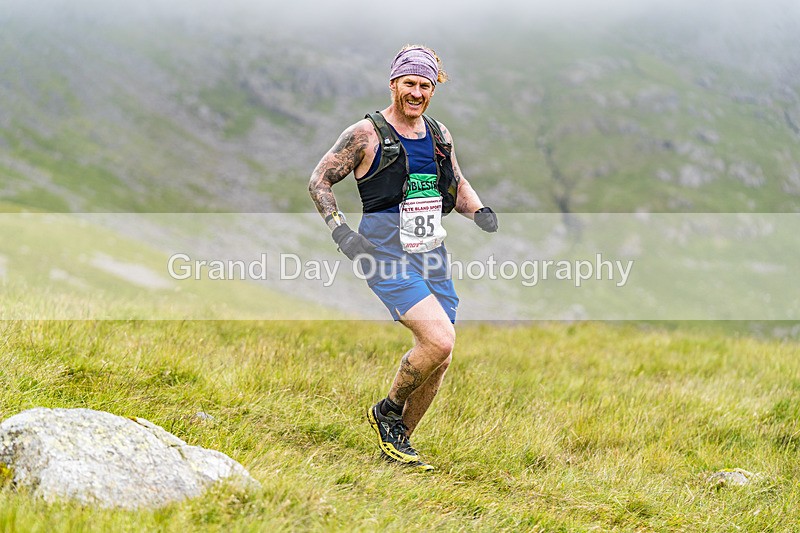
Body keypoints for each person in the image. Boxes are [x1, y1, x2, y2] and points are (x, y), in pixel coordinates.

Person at [308, 44, 498, 471]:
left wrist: (478, 211)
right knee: (439, 340)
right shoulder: (364, 135)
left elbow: (457, 182)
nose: (417, 92)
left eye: (425, 85)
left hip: (432, 253)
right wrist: (341, 233)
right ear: (393, 83)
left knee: (441, 357)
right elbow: (319, 181)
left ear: (434, 89)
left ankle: (399, 446)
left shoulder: (438, 134)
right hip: (383, 255)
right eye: (409, 83)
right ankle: (388, 411)